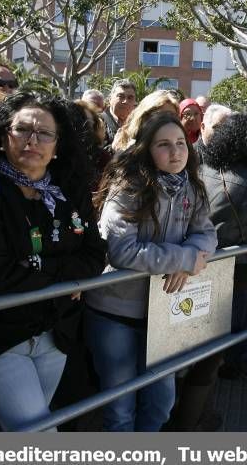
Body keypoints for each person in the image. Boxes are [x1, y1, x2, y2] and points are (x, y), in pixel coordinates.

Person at [0, 92, 107, 431]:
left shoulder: (70, 189)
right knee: (38, 435)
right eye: (22, 130)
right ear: (3, 136)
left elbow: (95, 255)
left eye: (45, 134)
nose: (32, 141)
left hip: (55, 336)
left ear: (58, 145)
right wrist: (66, 281)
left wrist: (36, 269)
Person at [86, 112, 218, 431]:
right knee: (120, 411)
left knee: (160, 404)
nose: (175, 152)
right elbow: (122, 250)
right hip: (115, 310)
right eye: (163, 144)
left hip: (163, 314)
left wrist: (188, 256)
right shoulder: (128, 186)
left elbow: (207, 233)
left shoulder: (193, 187)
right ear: (146, 149)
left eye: (180, 143)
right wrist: (182, 260)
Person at [171, 113, 247, 431]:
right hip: (230, 279)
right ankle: (191, 422)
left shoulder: (196, 169)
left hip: (182, 272)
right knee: (210, 357)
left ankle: (179, 415)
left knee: (177, 353)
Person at [111, 89, 179, 152]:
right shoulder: (127, 147)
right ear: (144, 117)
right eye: (160, 115)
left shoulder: (180, 147)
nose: (168, 120)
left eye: (172, 115)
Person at [102, 78, 137, 148]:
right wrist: (112, 148)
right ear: (110, 99)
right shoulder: (97, 122)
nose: (125, 101)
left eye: (130, 98)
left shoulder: (139, 123)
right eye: (121, 96)